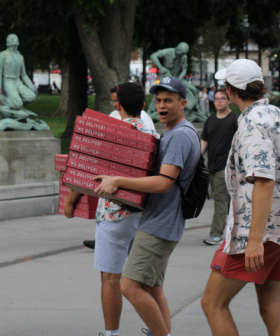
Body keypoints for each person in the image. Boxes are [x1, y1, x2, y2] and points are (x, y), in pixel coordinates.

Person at [200, 59, 280, 336]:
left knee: (213, 303)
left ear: (230, 89)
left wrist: (254, 240)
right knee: (274, 312)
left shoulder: (252, 124)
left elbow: (263, 182)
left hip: (262, 232)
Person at [94, 77, 200, 336]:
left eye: (169, 101)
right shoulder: (171, 133)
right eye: (159, 101)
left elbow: (164, 183)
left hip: (159, 224)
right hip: (160, 221)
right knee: (153, 288)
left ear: (183, 103)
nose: (162, 106)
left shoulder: (179, 137)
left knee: (129, 286)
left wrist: (118, 180)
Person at [64, 82, 160, 336]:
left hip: (114, 216)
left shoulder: (110, 132)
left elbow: (87, 168)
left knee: (110, 279)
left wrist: (71, 201)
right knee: (147, 281)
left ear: (118, 105)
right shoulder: (153, 133)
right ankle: (159, 329)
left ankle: (112, 334)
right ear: (143, 105)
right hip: (146, 214)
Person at [200, 88, 238, 245]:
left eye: (223, 98)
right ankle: (234, 231)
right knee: (226, 201)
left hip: (227, 167)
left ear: (229, 101)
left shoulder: (235, 120)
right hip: (212, 167)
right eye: (216, 98)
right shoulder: (210, 120)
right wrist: (195, 159)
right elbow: (204, 142)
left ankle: (216, 233)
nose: (219, 101)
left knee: (220, 199)